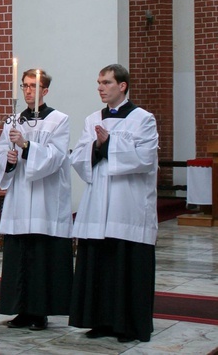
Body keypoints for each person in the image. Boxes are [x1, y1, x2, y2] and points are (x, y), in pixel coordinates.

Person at [68, 64, 159, 343]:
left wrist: (108, 145)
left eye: (106, 82)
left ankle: (128, 325)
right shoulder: (92, 118)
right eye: (98, 83)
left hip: (127, 205)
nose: (100, 88)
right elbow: (79, 156)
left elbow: (146, 158)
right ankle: (101, 321)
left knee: (126, 264)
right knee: (99, 264)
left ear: (122, 86)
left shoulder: (143, 119)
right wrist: (96, 147)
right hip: (98, 205)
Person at [0, 69, 74, 331]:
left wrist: (27, 148)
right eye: (24, 86)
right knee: (19, 256)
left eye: (34, 86)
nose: (28, 91)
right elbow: (0, 154)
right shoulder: (12, 121)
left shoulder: (59, 120)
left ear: (45, 91)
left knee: (40, 257)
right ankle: (21, 310)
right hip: (19, 199)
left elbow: (57, 157)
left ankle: (40, 312)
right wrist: (10, 160)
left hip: (44, 199)